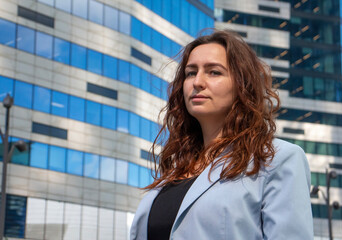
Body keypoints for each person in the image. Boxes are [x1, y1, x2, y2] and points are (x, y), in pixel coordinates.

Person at [130, 30, 313, 240]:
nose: (197, 82)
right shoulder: (173, 173)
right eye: (191, 73)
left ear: (241, 85)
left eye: (214, 72)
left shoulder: (277, 159)